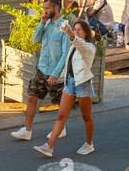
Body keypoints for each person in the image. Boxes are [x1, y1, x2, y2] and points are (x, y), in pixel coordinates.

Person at [9, 0, 71, 143]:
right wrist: (42, 23)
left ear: (56, 8)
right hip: (42, 69)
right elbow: (35, 39)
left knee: (59, 103)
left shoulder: (64, 27)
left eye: (47, 8)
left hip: (56, 73)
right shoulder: (46, 24)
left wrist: (56, 74)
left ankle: (61, 129)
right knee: (31, 97)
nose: (45, 11)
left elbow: (65, 54)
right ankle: (27, 130)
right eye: (44, 8)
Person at [34, 17, 98, 158]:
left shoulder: (89, 47)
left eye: (79, 30)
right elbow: (68, 61)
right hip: (70, 83)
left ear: (86, 32)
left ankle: (89, 143)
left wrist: (70, 33)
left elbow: (80, 43)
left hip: (83, 84)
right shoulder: (73, 45)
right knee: (61, 115)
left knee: (86, 117)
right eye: (75, 29)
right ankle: (49, 146)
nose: (77, 32)